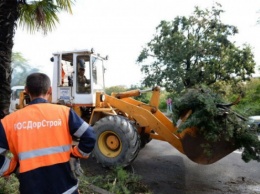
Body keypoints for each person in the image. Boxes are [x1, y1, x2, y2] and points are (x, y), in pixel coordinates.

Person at [0, 73, 96, 194]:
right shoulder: (64, 112)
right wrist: (74, 154)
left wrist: (12, 167)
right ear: (50, 90)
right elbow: (90, 136)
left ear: (26, 90)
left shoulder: (8, 122)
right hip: (66, 189)